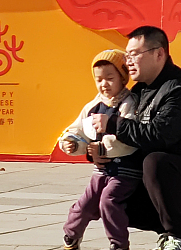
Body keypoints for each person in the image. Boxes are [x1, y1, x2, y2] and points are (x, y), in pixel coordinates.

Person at [91, 26, 181, 250]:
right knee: (112, 197)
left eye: (134, 54)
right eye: (127, 55)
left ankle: (180, 238)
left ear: (159, 54)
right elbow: (121, 136)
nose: (128, 62)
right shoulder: (138, 91)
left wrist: (115, 124)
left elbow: (158, 136)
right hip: (165, 180)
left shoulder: (178, 90)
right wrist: (97, 152)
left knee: (155, 161)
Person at [59, 50, 141, 250]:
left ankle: (118, 244)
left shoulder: (128, 103)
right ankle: (71, 235)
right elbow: (78, 129)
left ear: (122, 78)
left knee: (109, 201)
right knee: (85, 204)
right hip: (101, 170)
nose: (104, 84)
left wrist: (103, 148)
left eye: (110, 78)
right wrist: (72, 142)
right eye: (99, 79)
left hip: (126, 171)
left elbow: (128, 137)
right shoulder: (93, 106)